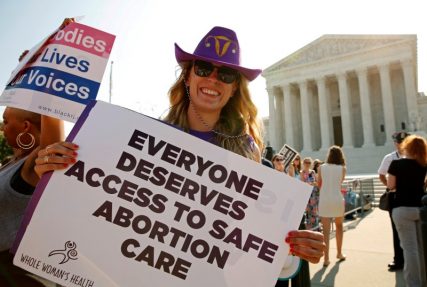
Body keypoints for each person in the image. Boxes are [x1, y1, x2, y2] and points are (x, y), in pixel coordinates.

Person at [34, 26, 325, 274]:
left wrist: (296, 248)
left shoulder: (248, 153)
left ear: (235, 88)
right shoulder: (138, 138)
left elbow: (254, 243)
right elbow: (93, 202)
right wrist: (54, 171)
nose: (213, 79)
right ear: (187, 76)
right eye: (203, 69)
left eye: (225, 75)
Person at [0, 108, 63, 286]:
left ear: (25, 126)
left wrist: (52, 96)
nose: (2, 128)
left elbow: (51, 148)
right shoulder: (12, 162)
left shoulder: (36, 166)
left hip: (15, 276)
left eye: (6, 121)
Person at [387, 135, 427, 287]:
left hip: (402, 208)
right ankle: (423, 280)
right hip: (420, 208)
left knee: (409, 249)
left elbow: (390, 185)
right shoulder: (423, 165)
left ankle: (413, 284)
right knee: (421, 247)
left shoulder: (396, 164)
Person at [378, 131, 409, 271]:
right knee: (396, 230)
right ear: (395, 143)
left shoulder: (414, 157)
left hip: (411, 196)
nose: (400, 144)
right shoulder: (390, 158)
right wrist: (390, 188)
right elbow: (381, 174)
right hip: (395, 197)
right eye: (399, 142)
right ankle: (399, 259)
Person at [317, 145, 347, 267]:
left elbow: (319, 183)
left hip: (325, 199)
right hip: (337, 199)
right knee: (339, 227)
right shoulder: (342, 168)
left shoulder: (321, 167)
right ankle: (339, 253)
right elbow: (340, 182)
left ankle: (326, 258)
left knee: (325, 231)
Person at [300, 157, 319, 231]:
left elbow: (317, 183)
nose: (307, 164)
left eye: (309, 163)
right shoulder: (302, 172)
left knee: (314, 212)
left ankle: (316, 228)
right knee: (308, 213)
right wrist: (309, 183)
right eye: (306, 162)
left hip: (313, 194)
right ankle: (309, 229)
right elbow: (302, 183)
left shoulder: (313, 172)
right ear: (303, 163)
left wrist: (313, 183)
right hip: (306, 194)